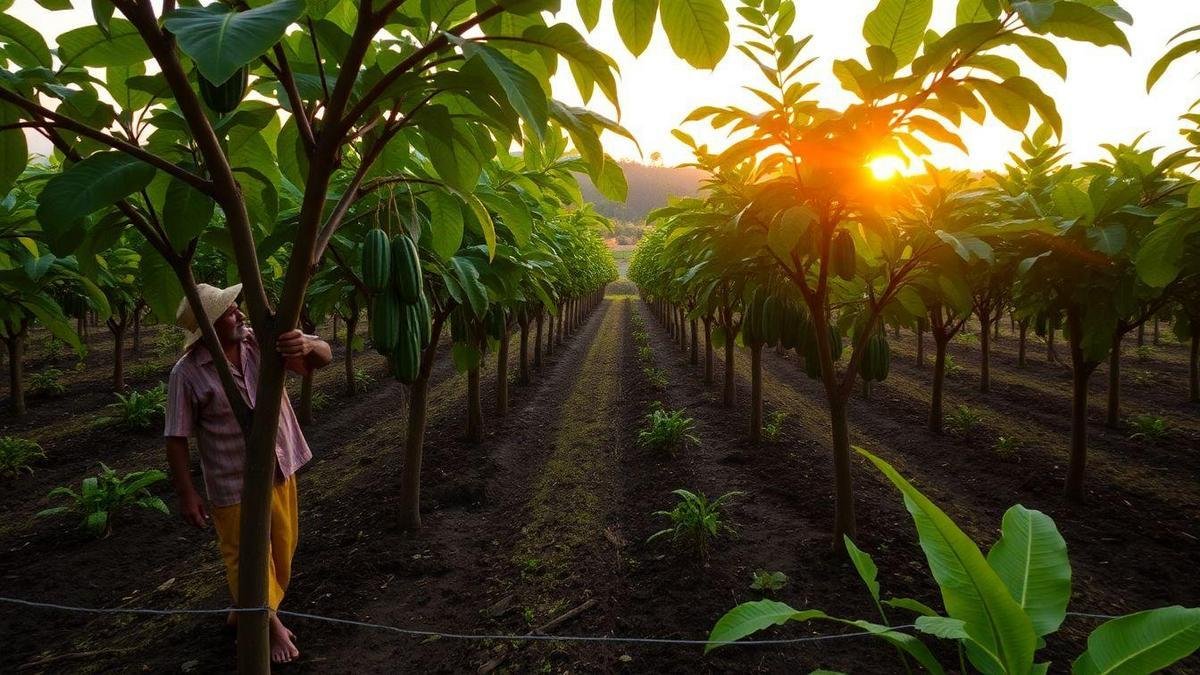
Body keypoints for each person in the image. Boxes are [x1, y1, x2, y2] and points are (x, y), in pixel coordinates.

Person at [163, 283, 332, 664]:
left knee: (282, 551)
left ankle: (248, 608)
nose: (240, 314)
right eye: (229, 312)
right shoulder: (187, 374)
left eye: (238, 307)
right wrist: (186, 494)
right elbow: (175, 437)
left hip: (279, 467)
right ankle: (267, 626)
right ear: (207, 327)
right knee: (245, 557)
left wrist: (306, 344)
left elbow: (318, 360)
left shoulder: (262, 344)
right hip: (231, 481)